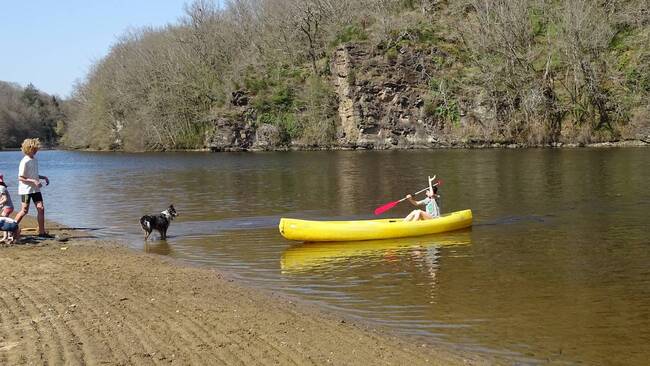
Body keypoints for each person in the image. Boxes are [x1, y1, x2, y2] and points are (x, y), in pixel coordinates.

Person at [14, 138, 52, 238]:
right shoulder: (24, 161)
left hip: (35, 189)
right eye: (34, 149)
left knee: (41, 208)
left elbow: (33, 174)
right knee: (24, 211)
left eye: (36, 149)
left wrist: (43, 177)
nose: (36, 151)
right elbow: (20, 178)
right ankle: (11, 228)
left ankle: (42, 232)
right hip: (25, 190)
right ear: (28, 149)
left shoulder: (34, 160)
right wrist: (34, 181)